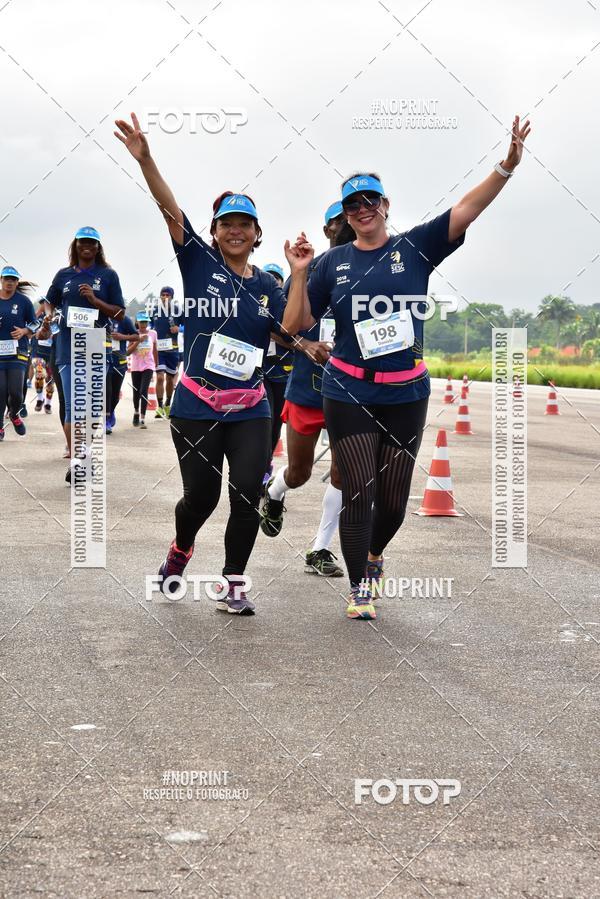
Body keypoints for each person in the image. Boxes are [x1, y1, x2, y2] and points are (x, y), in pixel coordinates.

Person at [283, 116, 531, 620]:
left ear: (385, 205)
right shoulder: (332, 264)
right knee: (358, 491)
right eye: (354, 204)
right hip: (348, 390)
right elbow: (296, 325)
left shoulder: (414, 247)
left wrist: (506, 166)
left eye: (371, 200)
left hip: (406, 393)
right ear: (347, 215)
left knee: (392, 503)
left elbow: (466, 210)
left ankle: (373, 556)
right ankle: (359, 590)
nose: (363, 210)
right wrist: (300, 273)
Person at [114, 111, 312, 615]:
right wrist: (146, 159)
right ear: (215, 230)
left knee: (247, 493)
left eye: (245, 224)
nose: (236, 231)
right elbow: (168, 207)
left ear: (257, 232)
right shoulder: (198, 261)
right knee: (200, 499)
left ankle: (233, 582)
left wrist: (299, 273)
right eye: (227, 224)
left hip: (250, 408)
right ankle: (181, 549)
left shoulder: (270, 285)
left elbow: (287, 331)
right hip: (197, 405)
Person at [260, 203, 354, 578]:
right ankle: (275, 493)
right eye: (339, 219)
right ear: (327, 228)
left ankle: (320, 549)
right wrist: (305, 346)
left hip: (351, 389)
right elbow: (274, 327)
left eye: (353, 216)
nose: (347, 223)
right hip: (307, 388)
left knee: (343, 473)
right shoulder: (308, 269)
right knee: (298, 472)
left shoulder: (373, 268)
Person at [43, 226, 126, 480]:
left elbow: (120, 313)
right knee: (72, 407)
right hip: (68, 348)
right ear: (75, 245)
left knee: (91, 409)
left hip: (96, 347)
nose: (87, 246)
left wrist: (95, 301)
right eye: (82, 242)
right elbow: (50, 301)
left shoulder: (108, 276)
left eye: (92, 242)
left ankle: (85, 452)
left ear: (98, 247)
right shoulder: (63, 275)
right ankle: (78, 461)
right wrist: (49, 317)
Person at [261, 262, 293, 490]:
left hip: (284, 374)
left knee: (275, 427)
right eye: (269, 277)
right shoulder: (256, 304)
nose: (274, 281)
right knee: (264, 422)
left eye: (277, 278)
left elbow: (296, 339)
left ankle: (267, 464)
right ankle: (260, 470)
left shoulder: (288, 307)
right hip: (260, 374)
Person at [0, 266, 39, 440]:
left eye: (13, 279)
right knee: (1, 391)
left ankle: (14, 414)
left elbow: (35, 324)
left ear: (17, 282)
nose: (9, 282)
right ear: (1, 280)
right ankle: (0, 426)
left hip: (18, 352)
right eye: (6, 278)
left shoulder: (23, 301)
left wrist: (24, 331)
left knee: (16, 392)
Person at [149, 287, 180, 418]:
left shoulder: (178, 310)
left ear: (172, 297)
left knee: (170, 378)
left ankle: (168, 404)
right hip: (159, 350)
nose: (165, 297)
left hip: (172, 349)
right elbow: (147, 325)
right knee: (160, 377)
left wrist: (179, 328)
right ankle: (159, 406)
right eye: (163, 294)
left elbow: (187, 324)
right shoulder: (154, 310)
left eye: (168, 295)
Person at [107, 312, 138, 432]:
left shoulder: (124, 320)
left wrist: (122, 337)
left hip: (119, 363)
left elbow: (136, 336)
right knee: (106, 392)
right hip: (104, 361)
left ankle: (111, 411)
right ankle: (106, 420)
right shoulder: (100, 317)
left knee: (115, 394)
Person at [127, 312, 158, 428]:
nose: (143, 324)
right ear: (137, 323)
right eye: (141, 322)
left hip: (148, 366)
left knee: (143, 390)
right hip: (136, 366)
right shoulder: (133, 334)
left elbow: (155, 349)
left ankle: (143, 418)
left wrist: (156, 364)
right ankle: (136, 412)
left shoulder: (153, 333)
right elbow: (128, 352)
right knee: (136, 391)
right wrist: (138, 341)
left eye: (146, 322)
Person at [30, 298, 56, 413]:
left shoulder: (55, 319)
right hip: (37, 352)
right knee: (39, 375)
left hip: (51, 354)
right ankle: (40, 400)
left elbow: (57, 334)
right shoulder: (35, 317)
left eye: (47, 305)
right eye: (42, 304)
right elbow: (29, 330)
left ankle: (48, 404)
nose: (45, 307)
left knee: (50, 381)